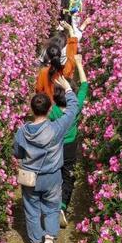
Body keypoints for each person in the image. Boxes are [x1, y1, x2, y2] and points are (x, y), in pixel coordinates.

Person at [13, 76, 79, 243]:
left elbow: (17, 153)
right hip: (52, 177)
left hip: (30, 179)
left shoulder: (22, 132)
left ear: (32, 110)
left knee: (32, 210)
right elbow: (73, 110)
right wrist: (67, 89)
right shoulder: (56, 128)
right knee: (51, 209)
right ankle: (49, 242)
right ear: (50, 109)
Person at [49, 54, 88, 228]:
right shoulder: (75, 107)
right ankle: (62, 206)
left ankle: (51, 203)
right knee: (68, 174)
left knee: (55, 173)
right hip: (70, 146)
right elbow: (85, 86)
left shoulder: (53, 111)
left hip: (54, 146)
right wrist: (79, 64)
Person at [35, 21, 79, 101]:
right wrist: (70, 29)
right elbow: (73, 46)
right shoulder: (67, 68)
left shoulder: (43, 71)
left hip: (49, 107)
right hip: (64, 105)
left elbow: (38, 90)